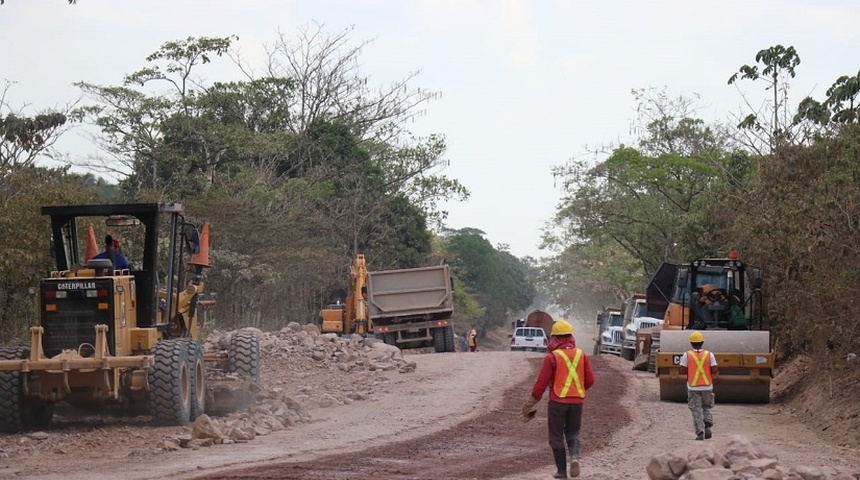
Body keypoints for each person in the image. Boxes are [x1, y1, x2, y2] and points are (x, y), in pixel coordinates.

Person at [521, 320, 595, 478]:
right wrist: (578, 390)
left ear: (555, 338)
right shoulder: (581, 355)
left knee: (556, 436)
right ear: (571, 336)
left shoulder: (552, 357)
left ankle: (561, 471)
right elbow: (590, 380)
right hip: (577, 401)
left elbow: (541, 384)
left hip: (558, 402)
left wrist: (530, 403)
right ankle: (574, 457)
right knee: (573, 433)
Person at [679, 330, 719, 440]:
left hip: (693, 386)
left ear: (691, 343)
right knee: (707, 407)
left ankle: (700, 432)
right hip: (707, 386)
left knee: (696, 409)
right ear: (703, 342)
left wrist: (691, 371)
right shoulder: (709, 354)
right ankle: (708, 426)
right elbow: (715, 369)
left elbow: (682, 369)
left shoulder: (687, 355)